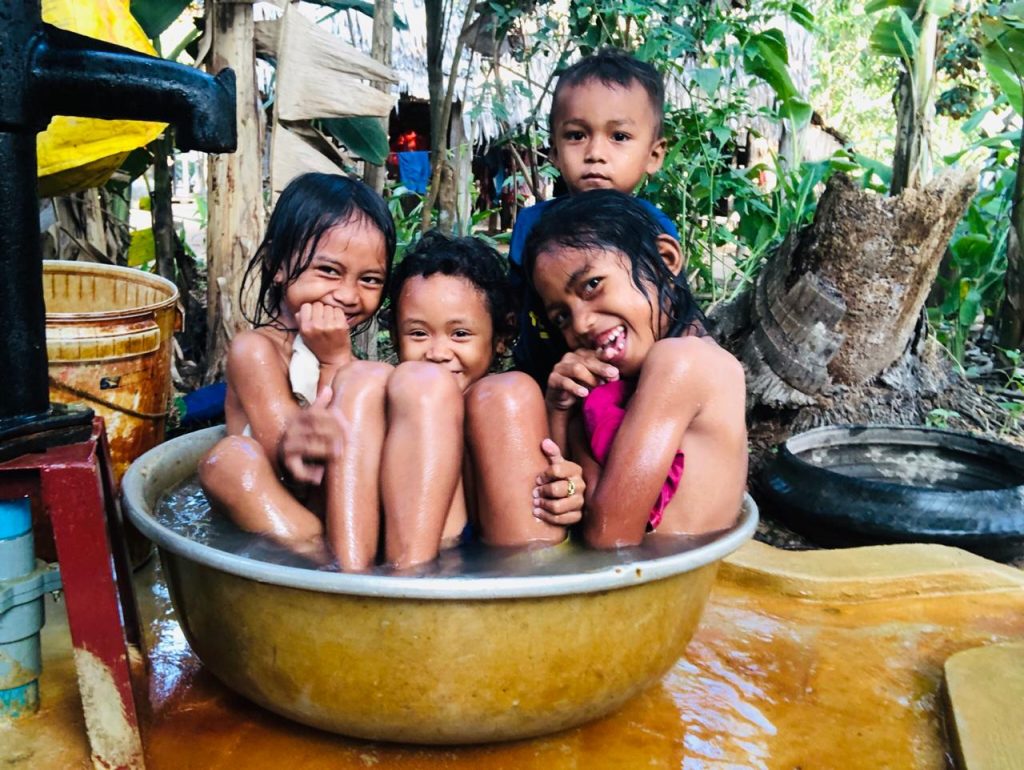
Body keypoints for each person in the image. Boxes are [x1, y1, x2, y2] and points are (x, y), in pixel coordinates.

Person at [198, 173, 463, 572]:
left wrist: (338, 361)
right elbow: (296, 468)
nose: (347, 295)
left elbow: (365, 440)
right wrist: (333, 363)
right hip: (292, 513)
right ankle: (326, 563)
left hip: (350, 516)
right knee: (230, 462)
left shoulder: (344, 355)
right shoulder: (256, 350)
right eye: (329, 271)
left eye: (369, 280)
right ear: (277, 264)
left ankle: (404, 561)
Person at [523, 190, 748, 547]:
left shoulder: (681, 362)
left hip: (665, 587)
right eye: (561, 316)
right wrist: (560, 408)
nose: (580, 324)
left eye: (592, 285)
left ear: (664, 258)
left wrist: (576, 425)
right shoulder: (649, 370)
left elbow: (607, 535)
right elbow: (567, 492)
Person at [385, 230, 583, 546]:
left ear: (500, 338)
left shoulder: (512, 406)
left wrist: (567, 490)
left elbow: (562, 474)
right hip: (424, 561)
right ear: (396, 338)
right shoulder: (386, 408)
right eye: (419, 334)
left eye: (460, 334)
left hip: (509, 568)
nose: (437, 352)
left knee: (508, 392)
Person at [508, 47, 678, 384]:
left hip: (634, 381)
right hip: (550, 382)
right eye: (576, 136)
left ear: (654, 154)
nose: (595, 154)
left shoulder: (653, 228)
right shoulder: (532, 227)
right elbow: (516, 310)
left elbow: (677, 316)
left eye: (619, 137)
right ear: (554, 151)